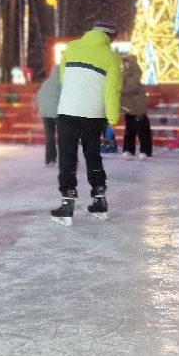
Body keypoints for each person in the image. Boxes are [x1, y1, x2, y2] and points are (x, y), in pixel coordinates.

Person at [51, 20, 122, 225]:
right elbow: (111, 91)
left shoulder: (72, 48)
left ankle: (67, 203)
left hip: (68, 110)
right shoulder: (111, 57)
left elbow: (65, 78)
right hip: (94, 115)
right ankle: (99, 200)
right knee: (93, 155)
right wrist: (112, 118)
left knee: (67, 156)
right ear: (109, 36)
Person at [119, 53, 152, 160]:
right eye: (124, 62)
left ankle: (145, 151)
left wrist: (119, 90)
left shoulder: (135, 73)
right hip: (129, 107)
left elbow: (131, 88)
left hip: (138, 107)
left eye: (127, 62)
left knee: (142, 130)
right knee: (129, 130)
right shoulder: (124, 74)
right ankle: (128, 150)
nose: (125, 64)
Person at [35, 67, 61, 167]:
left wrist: (40, 108)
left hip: (45, 113)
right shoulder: (61, 83)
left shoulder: (46, 83)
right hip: (57, 112)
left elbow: (38, 96)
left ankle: (50, 159)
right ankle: (68, 159)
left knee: (49, 136)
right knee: (64, 136)